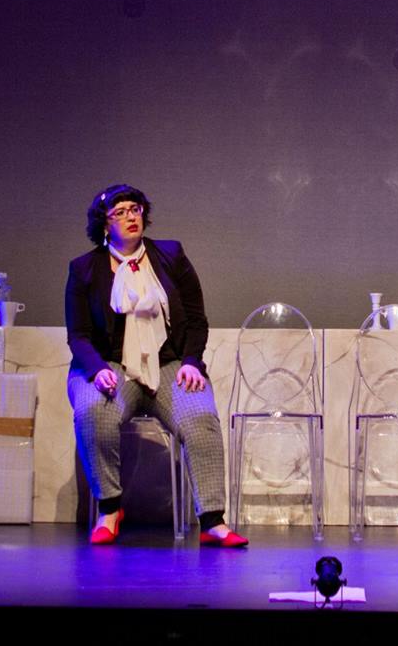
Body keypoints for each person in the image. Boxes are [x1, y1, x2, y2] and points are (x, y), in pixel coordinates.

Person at [65, 185, 245, 547]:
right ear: (104, 224)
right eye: (120, 212)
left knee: (200, 417)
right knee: (92, 411)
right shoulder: (84, 268)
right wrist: (98, 369)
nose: (131, 217)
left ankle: (212, 520)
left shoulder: (170, 255)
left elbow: (196, 319)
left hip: (169, 362)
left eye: (135, 209)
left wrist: (192, 362)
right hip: (109, 364)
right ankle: (110, 508)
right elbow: (79, 335)